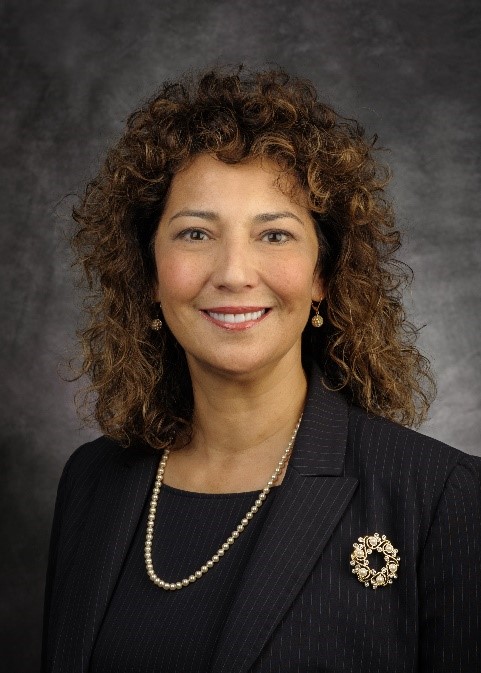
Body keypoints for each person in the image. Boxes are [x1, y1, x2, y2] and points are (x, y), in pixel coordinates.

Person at [42, 67, 481, 673]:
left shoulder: (441, 498)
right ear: (148, 273)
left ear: (324, 275)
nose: (234, 273)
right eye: (195, 233)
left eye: (275, 235)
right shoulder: (92, 481)